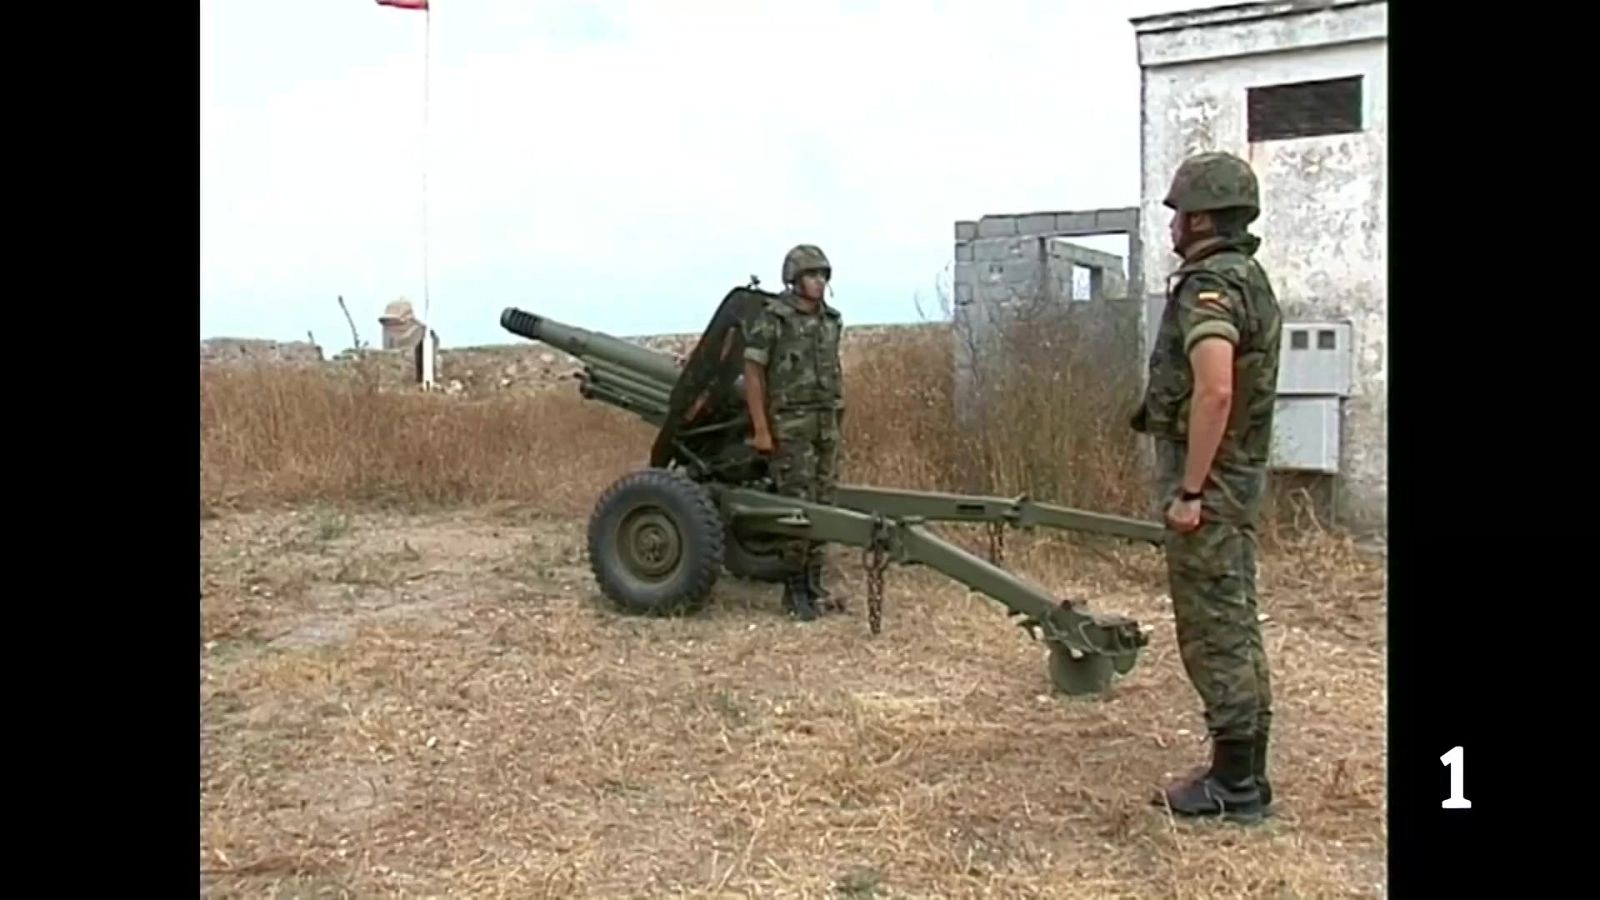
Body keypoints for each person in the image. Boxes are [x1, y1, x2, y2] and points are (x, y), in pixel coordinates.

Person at [1130, 150, 1282, 824]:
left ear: (1200, 217)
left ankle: (1234, 787)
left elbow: (1215, 389)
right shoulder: (1250, 277)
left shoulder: (1211, 287)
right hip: (1237, 479)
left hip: (1213, 487)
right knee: (1236, 626)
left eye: (1179, 214)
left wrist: (1190, 490)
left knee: (1215, 631)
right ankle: (1245, 773)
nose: (1173, 226)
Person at [740, 244, 848, 621]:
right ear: (794, 279)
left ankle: (814, 581)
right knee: (796, 509)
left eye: (822, 276)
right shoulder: (775, 319)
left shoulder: (831, 320)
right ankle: (795, 589)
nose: (818, 282)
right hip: (791, 425)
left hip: (825, 424)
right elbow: (754, 375)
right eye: (811, 275)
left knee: (824, 504)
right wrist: (762, 430)